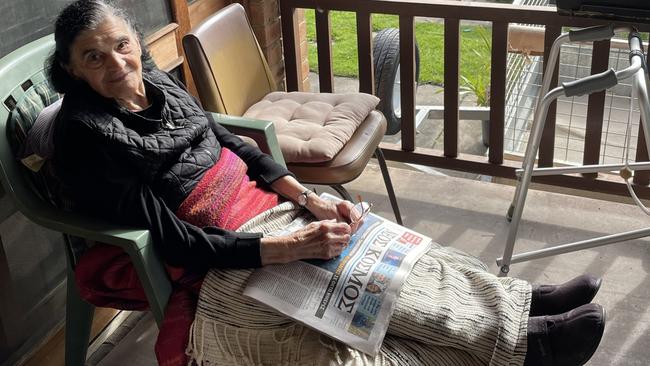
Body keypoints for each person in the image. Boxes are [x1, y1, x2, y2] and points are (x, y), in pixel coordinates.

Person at [46, 1, 606, 365]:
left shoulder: (159, 82)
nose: (116, 63)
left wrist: (305, 195)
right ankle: (527, 344)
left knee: (383, 251)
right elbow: (172, 239)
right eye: (93, 57)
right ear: (72, 70)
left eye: (121, 44)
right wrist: (283, 247)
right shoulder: (86, 137)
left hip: (259, 202)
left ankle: (517, 300)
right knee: (351, 304)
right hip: (214, 253)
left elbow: (228, 142)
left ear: (136, 42)